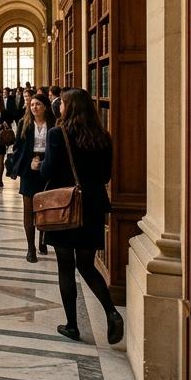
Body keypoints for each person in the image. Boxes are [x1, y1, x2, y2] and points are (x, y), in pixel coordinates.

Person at [42, 88, 123, 345]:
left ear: (70, 108)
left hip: (66, 205)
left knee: (65, 266)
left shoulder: (58, 134)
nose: (60, 108)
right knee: (86, 265)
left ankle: (72, 325)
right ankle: (111, 311)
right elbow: (105, 177)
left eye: (63, 104)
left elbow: (48, 171)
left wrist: (39, 165)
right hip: (93, 206)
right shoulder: (103, 137)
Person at [9, 93, 55, 260]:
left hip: (48, 168)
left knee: (45, 208)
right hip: (29, 169)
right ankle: (31, 248)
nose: (34, 107)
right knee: (28, 210)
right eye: (32, 104)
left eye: (38, 104)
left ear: (45, 107)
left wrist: (46, 162)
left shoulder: (54, 123)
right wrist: (28, 162)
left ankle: (43, 238)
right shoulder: (24, 123)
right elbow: (18, 148)